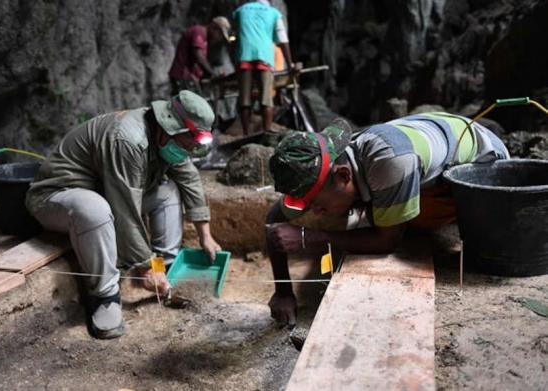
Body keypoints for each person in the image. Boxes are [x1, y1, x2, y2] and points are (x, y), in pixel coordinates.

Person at [265, 112, 510, 326]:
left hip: (484, 159)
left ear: (343, 176)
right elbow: (274, 219)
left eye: (318, 205)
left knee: (412, 220)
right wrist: (283, 291)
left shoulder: (390, 163)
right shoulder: (321, 170)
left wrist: (311, 237)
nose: (316, 212)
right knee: (379, 212)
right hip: (434, 135)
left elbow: (387, 241)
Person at [26, 90, 222, 339]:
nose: (192, 149)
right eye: (190, 142)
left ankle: (165, 269)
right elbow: (125, 211)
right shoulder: (128, 140)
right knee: (95, 210)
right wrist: (144, 266)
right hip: (58, 197)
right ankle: (105, 296)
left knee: (167, 191)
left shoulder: (171, 140)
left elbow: (189, 177)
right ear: (170, 128)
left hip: (106, 192)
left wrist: (205, 233)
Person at [233, 0, 294, 135]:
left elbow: (235, 34)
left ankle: (246, 132)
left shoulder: (241, 10)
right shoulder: (274, 13)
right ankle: (267, 130)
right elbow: (283, 40)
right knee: (266, 96)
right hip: (265, 55)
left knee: (245, 97)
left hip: (244, 54)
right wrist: (290, 64)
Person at [169, 16, 233, 94]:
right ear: (214, 27)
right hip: (182, 75)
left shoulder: (205, 39)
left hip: (189, 78)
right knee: (184, 103)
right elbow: (199, 56)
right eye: (219, 34)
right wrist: (213, 74)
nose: (219, 38)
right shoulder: (198, 31)